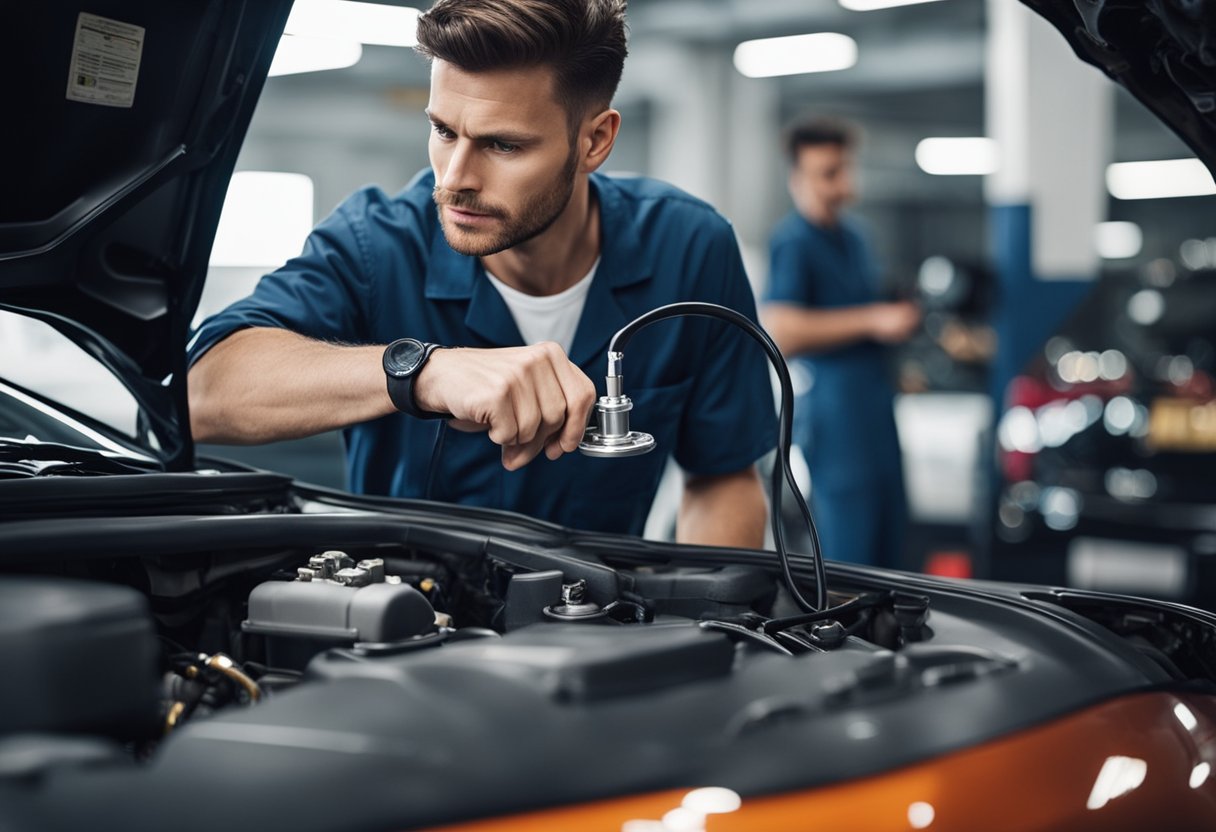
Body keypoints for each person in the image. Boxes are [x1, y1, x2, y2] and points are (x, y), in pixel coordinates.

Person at [187, 0, 775, 546]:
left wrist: (707, 629)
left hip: (602, 633)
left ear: (595, 140)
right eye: (444, 131)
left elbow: (721, 478)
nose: (454, 178)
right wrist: (424, 372)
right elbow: (200, 391)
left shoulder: (690, 248)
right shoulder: (378, 245)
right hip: (403, 630)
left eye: (503, 146)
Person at [761, 118, 919, 567]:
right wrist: (873, 319)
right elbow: (783, 329)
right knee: (851, 557)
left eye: (844, 169)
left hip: (876, 411)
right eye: (827, 173)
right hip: (837, 417)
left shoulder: (855, 239)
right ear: (798, 180)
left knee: (891, 543)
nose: (841, 184)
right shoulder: (793, 241)